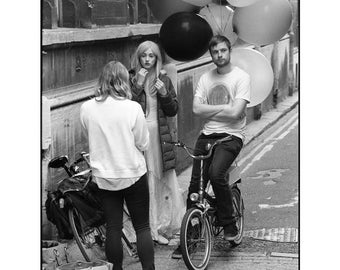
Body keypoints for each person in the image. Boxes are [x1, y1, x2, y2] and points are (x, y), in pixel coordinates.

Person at [172, 35, 250, 258]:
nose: (220, 55)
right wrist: (227, 106)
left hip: (232, 136)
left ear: (229, 51)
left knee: (216, 174)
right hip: (207, 135)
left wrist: (213, 108)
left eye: (223, 51)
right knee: (195, 187)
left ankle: (229, 225)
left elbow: (237, 114)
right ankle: (188, 240)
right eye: (215, 52)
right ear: (211, 54)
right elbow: (196, 109)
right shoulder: (205, 78)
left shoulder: (241, 77)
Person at [80, 61, 154, 270]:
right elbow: (143, 142)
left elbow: (90, 137)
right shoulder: (133, 108)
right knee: (142, 227)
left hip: (104, 176)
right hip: (133, 173)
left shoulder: (87, 108)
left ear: (102, 80)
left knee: (113, 227)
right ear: (124, 80)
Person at [130, 40, 185, 245]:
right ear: (139, 57)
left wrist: (164, 93)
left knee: (160, 180)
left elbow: (173, 110)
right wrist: (137, 85)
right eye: (144, 55)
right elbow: (127, 108)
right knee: (144, 183)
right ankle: (147, 228)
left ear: (157, 59)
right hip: (139, 137)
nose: (147, 60)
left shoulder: (164, 79)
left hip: (158, 137)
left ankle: (161, 224)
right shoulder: (131, 78)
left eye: (151, 56)